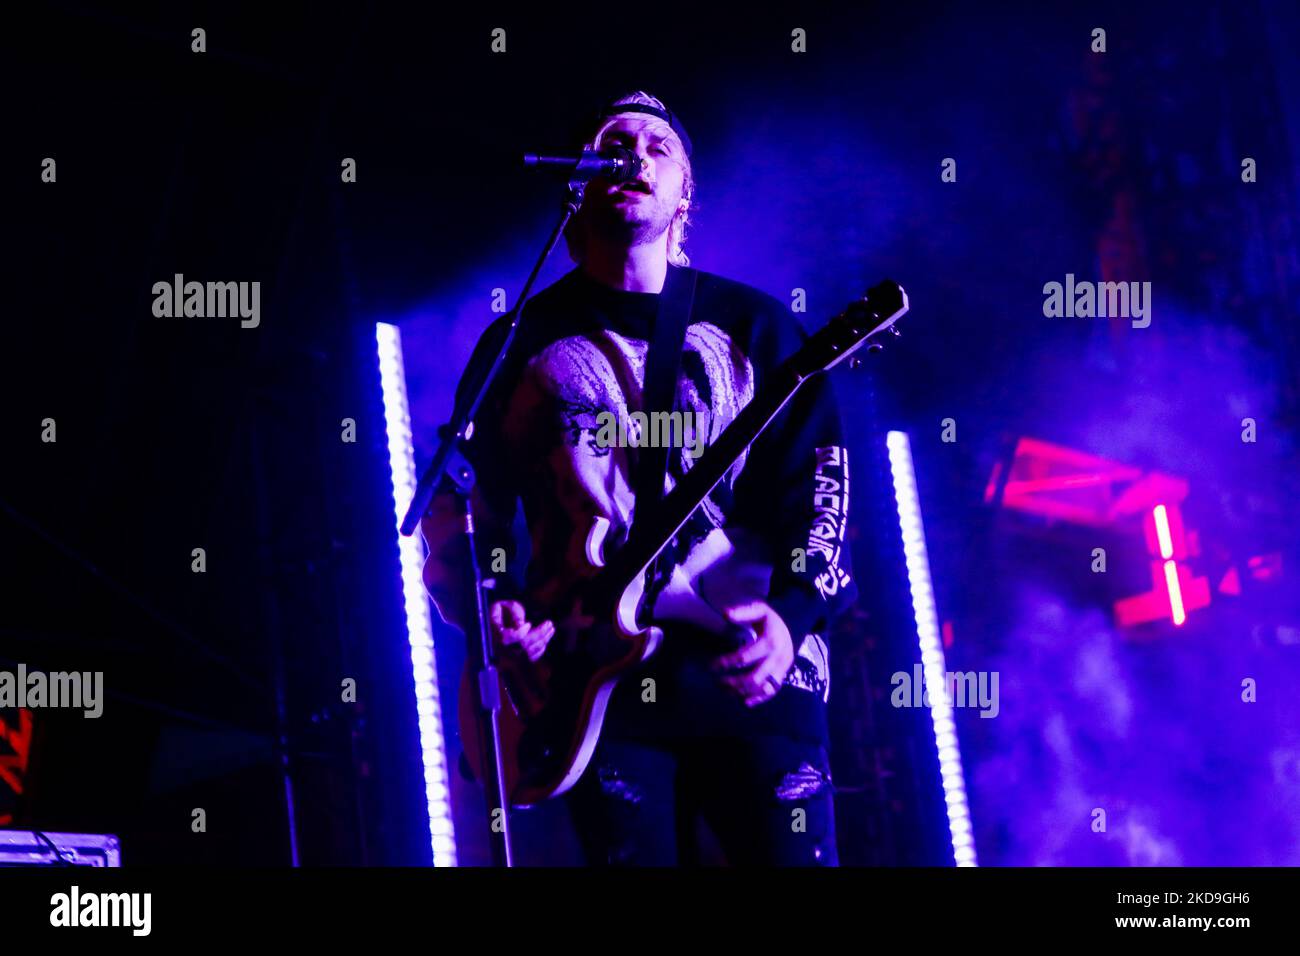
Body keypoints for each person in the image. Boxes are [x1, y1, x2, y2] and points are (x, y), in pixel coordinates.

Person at [423, 91, 857, 865]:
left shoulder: (757, 327)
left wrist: (791, 618)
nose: (636, 156)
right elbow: (469, 509)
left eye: (659, 147)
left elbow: (818, 489)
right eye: (614, 142)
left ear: (685, 191)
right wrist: (496, 610)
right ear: (581, 181)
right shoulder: (522, 339)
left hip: (750, 666)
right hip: (596, 691)